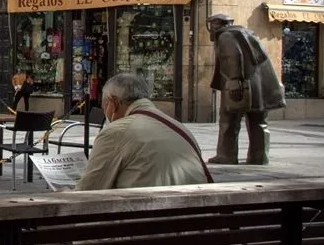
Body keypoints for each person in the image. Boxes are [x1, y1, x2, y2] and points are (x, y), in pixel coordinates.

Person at [75, 73, 211, 191]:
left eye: (104, 105)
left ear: (113, 102)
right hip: (194, 215)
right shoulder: (180, 128)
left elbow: (88, 190)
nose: (105, 111)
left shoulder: (116, 132)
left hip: (146, 216)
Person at [207, 13, 285, 165]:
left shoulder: (226, 36)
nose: (211, 29)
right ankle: (259, 157)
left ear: (218, 24)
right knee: (259, 122)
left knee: (228, 121)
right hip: (259, 87)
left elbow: (232, 57)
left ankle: (226, 155)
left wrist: (235, 80)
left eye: (212, 25)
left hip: (239, 85)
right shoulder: (247, 33)